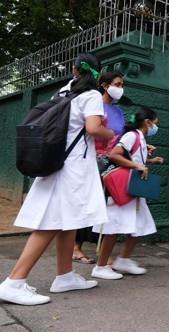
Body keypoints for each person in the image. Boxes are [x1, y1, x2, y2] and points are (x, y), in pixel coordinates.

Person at [0, 53, 114, 305]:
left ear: (74, 70)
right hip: (72, 168)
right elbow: (94, 128)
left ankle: (65, 276)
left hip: (57, 161)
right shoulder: (92, 95)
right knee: (51, 222)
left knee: (68, 220)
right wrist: (111, 132)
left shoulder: (64, 92)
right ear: (98, 72)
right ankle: (13, 282)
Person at [91, 107, 164, 280]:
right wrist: (137, 166)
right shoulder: (132, 136)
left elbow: (134, 158)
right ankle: (100, 266)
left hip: (133, 189)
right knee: (113, 228)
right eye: (155, 123)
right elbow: (115, 155)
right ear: (148, 122)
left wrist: (150, 160)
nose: (155, 126)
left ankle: (123, 259)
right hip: (123, 190)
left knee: (138, 226)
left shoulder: (140, 138)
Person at [73, 71, 126, 264]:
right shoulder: (94, 105)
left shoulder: (118, 111)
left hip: (111, 162)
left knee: (105, 206)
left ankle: (102, 252)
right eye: (118, 84)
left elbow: (119, 136)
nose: (120, 88)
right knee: (87, 204)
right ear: (104, 85)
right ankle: (76, 247)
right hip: (92, 160)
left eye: (122, 85)